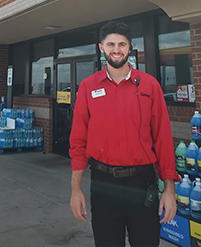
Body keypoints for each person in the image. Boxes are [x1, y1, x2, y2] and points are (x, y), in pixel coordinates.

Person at [69, 20, 178, 247]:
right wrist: (75, 189)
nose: (116, 49)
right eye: (110, 44)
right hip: (103, 184)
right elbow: (78, 142)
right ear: (101, 48)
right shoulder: (88, 87)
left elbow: (163, 140)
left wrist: (169, 190)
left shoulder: (150, 86)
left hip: (143, 184)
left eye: (121, 44)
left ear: (130, 48)